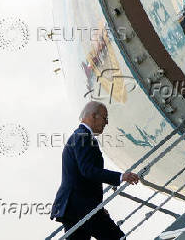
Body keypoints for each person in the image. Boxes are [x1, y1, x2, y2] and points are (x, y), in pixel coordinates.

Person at [50, 101, 139, 239]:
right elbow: (88, 170)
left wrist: (97, 207)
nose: (106, 123)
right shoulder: (84, 137)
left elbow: (83, 176)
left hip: (73, 207)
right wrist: (121, 177)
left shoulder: (78, 136)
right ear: (93, 116)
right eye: (105, 118)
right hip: (81, 207)